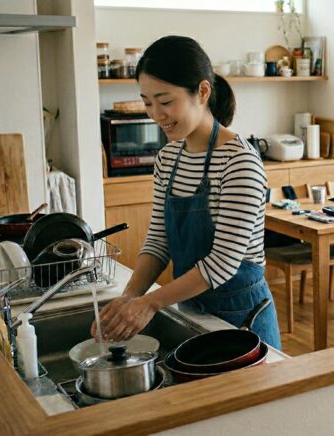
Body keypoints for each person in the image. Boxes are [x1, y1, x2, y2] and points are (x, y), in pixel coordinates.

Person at [91, 36, 282, 350]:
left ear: (203, 92)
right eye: (148, 102)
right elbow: (158, 239)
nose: (156, 114)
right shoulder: (168, 158)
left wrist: (151, 303)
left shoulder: (240, 162)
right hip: (191, 309)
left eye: (165, 101)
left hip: (243, 320)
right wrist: (129, 298)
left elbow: (222, 263)